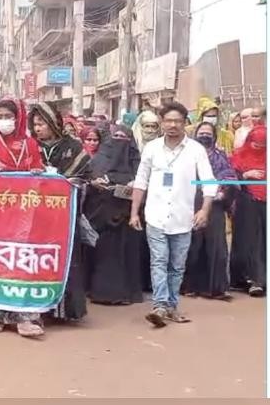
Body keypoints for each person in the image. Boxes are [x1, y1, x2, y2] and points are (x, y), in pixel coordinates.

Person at [129, 102, 217, 328]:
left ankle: (171, 306)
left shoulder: (196, 150)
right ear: (162, 122)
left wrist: (204, 209)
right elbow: (141, 181)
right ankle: (159, 306)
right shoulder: (152, 148)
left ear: (185, 123)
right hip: (155, 216)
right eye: (168, 120)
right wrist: (134, 212)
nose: (173, 125)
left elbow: (209, 182)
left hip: (183, 218)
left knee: (177, 266)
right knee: (159, 261)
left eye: (177, 121)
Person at [0, 99, 44, 337]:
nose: (4, 120)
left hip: (23, 212)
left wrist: (38, 174)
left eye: (8, 116)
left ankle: (23, 318)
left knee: (20, 262)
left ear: (18, 118)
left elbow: (41, 174)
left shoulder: (30, 144)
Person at [28, 102, 91, 328]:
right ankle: (37, 308)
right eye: (35, 124)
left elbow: (84, 176)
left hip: (64, 216)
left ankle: (65, 310)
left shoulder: (72, 147)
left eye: (42, 123)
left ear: (54, 123)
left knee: (64, 258)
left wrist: (62, 180)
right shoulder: (29, 146)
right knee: (37, 259)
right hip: (35, 216)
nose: (38, 128)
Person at [84, 125, 144, 305]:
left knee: (127, 255)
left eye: (123, 137)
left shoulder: (138, 164)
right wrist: (95, 184)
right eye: (116, 136)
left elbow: (144, 186)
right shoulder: (98, 161)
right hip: (103, 217)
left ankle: (127, 294)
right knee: (104, 256)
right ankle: (101, 292)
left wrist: (134, 187)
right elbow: (87, 182)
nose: (119, 140)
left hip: (128, 218)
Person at [182, 122, 237, 301]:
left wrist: (221, 190)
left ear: (214, 136)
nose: (205, 136)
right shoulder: (187, 155)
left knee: (216, 247)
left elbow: (230, 177)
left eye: (208, 133)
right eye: (201, 133)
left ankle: (217, 288)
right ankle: (190, 286)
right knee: (193, 246)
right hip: (190, 203)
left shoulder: (220, 156)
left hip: (215, 205)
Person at [229, 125, 267, 297]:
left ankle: (263, 279)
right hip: (246, 203)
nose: (259, 149)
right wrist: (245, 175)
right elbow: (230, 178)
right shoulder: (239, 156)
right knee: (249, 241)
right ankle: (251, 280)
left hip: (265, 204)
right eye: (255, 145)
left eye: (263, 146)